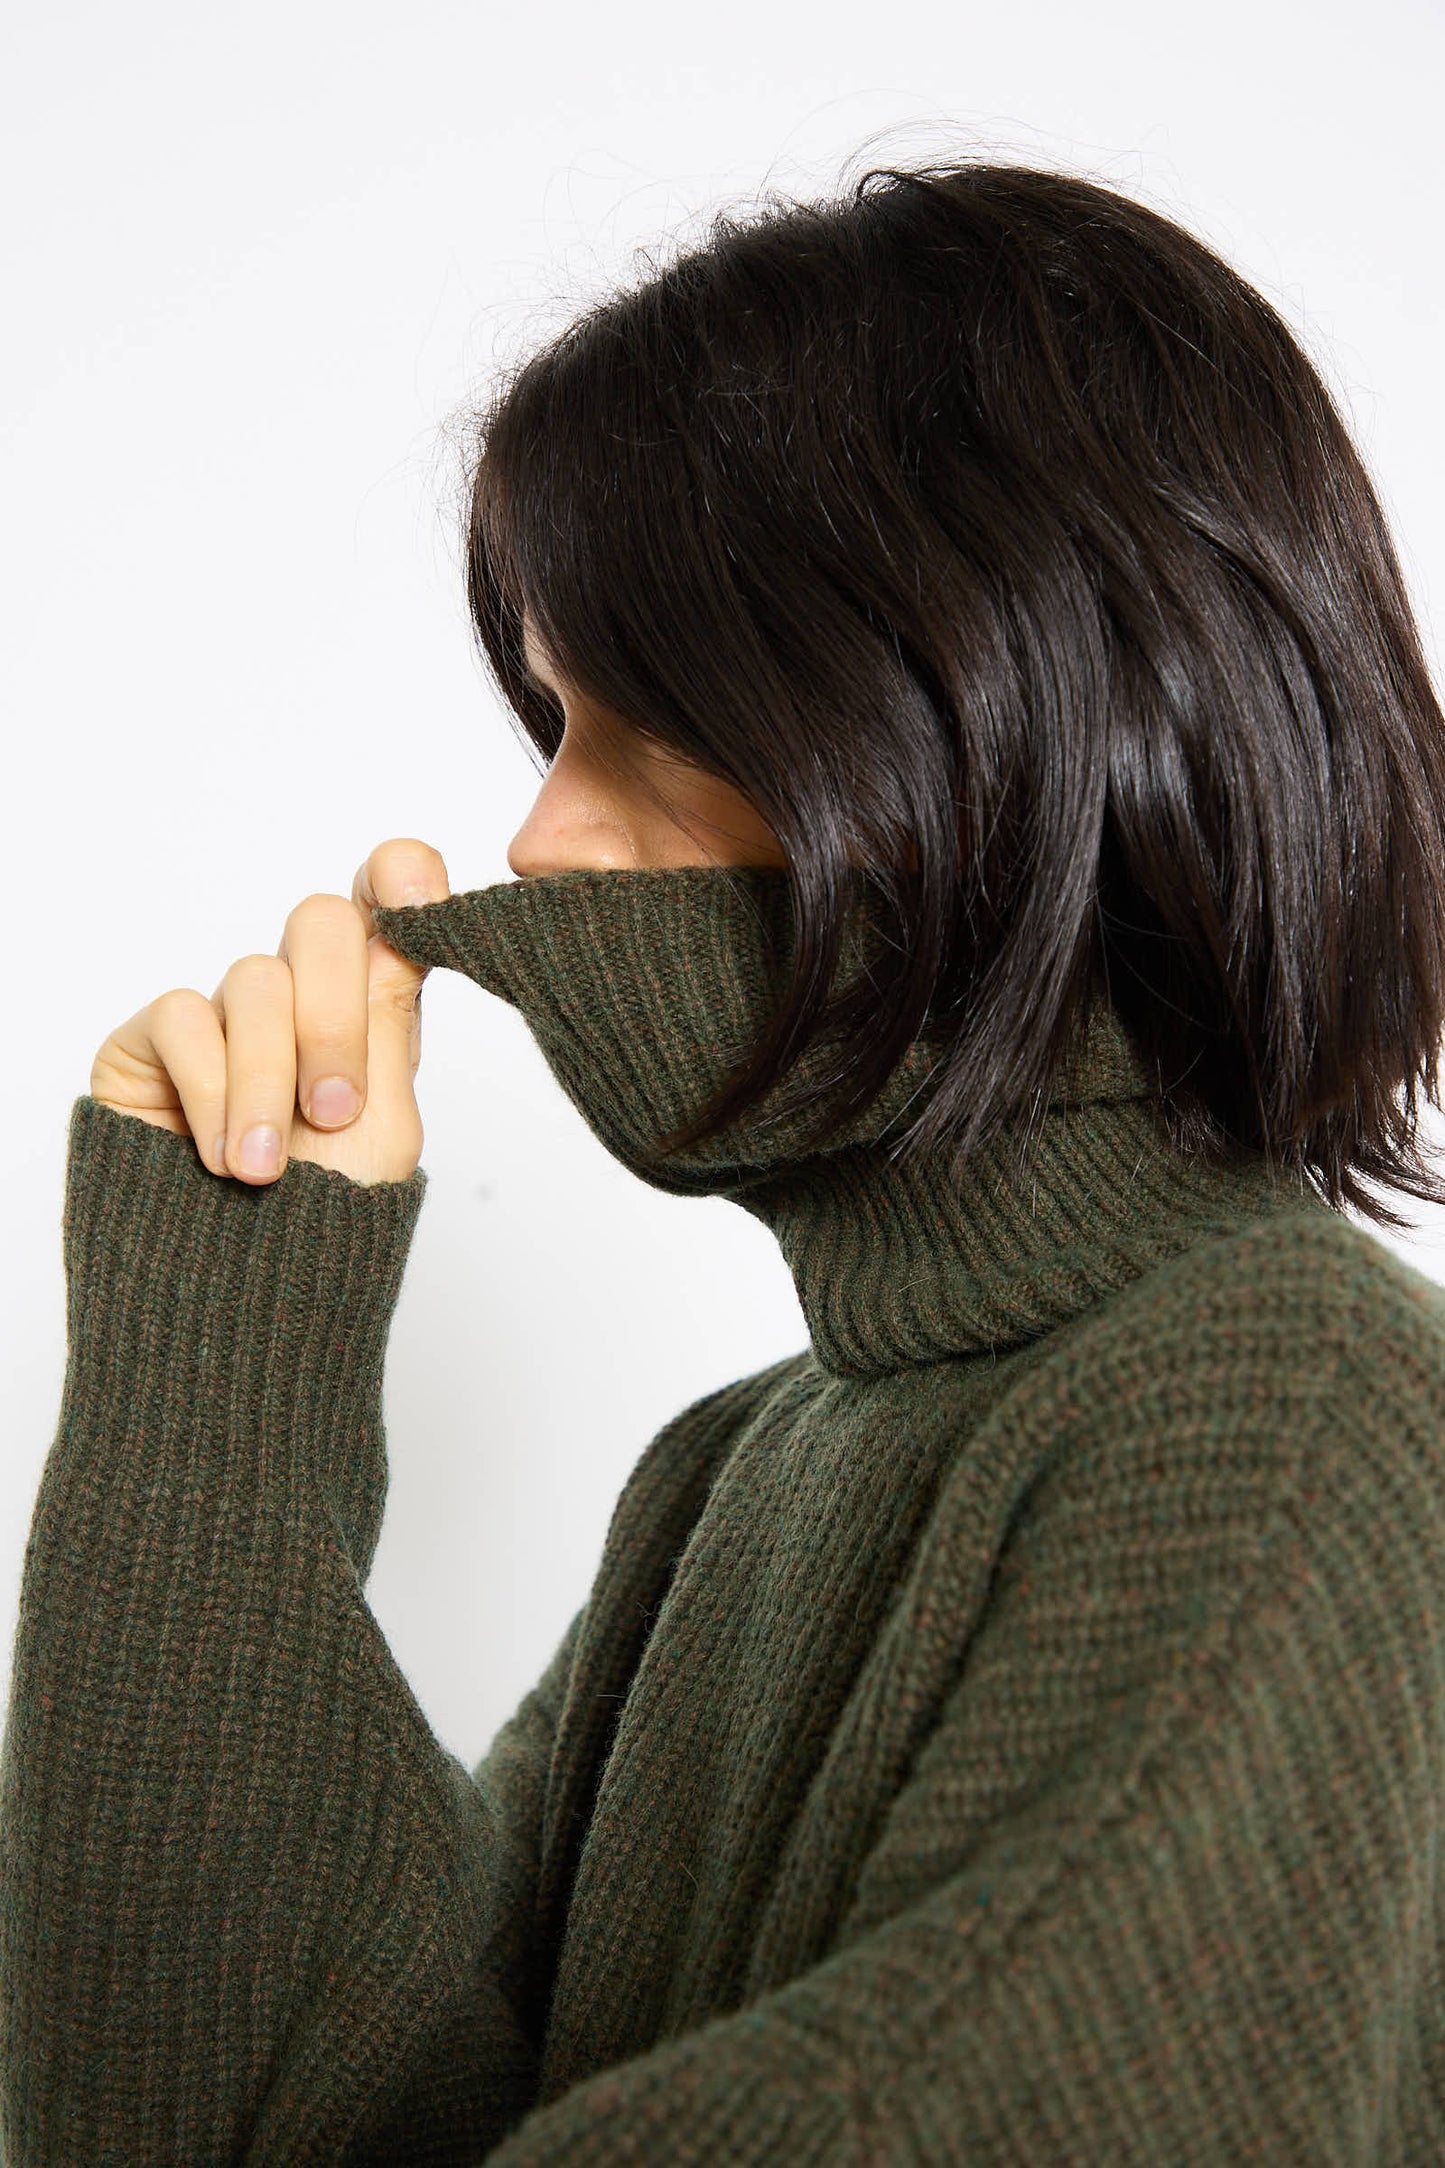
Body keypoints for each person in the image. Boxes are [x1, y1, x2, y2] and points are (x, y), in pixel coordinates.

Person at [3, 155, 1444, 2164]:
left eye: (656, 729)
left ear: (998, 708)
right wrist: (215, 1382)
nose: (542, 846)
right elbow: (235, 2125)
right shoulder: (733, 1473)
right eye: (554, 729)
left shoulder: (1295, 1406)